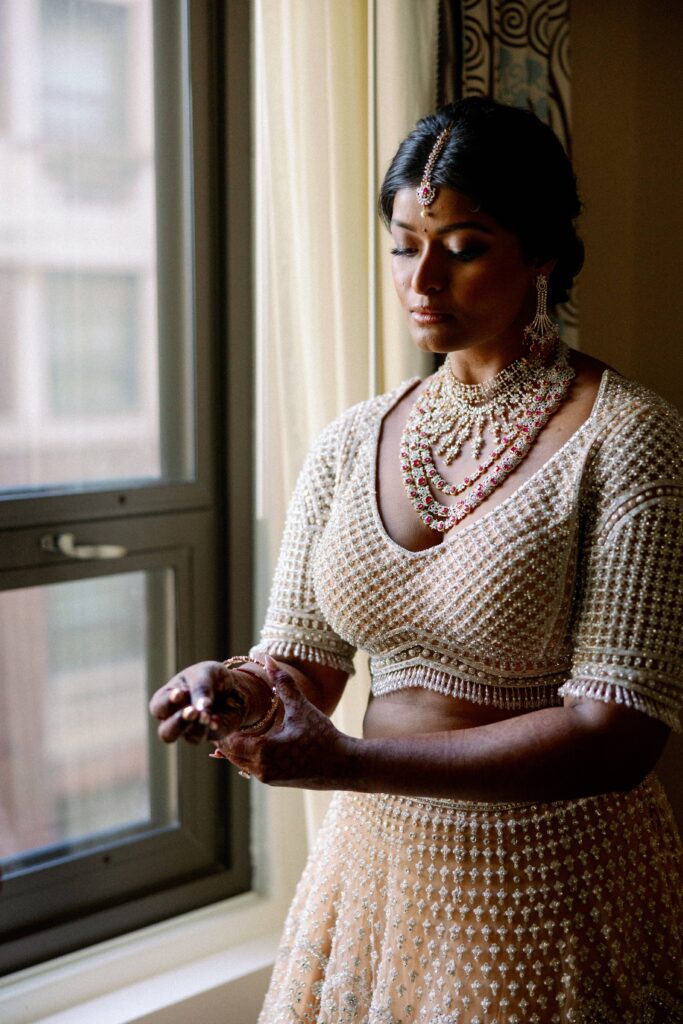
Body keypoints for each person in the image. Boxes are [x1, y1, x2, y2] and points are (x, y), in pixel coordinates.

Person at [149, 98, 683, 1023]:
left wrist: (351, 758)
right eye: (404, 245)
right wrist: (233, 690)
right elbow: (303, 665)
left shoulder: (629, 438)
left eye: (464, 245)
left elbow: (617, 737)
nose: (422, 280)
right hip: (373, 869)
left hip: (547, 880)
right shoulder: (353, 438)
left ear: (542, 253)